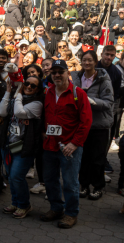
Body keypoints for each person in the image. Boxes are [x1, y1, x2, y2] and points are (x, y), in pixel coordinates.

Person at [40, 59, 93, 229]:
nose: (56, 75)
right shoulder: (48, 92)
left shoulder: (78, 94)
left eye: (60, 72)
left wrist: (75, 144)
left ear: (67, 73)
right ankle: (56, 208)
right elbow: (44, 116)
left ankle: (71, 213)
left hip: (70, 147)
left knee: (70, 183)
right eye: (53, 72)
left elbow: (86, 122)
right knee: (49, 180)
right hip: (50, 145)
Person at [0, 74, 44, 218]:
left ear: (37, 90)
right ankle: (15, 202)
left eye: (33, 85)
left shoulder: (37, 104)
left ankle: (24, 205)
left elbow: (19, 112)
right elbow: (1, 112)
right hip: (9, 143)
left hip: (25, 147)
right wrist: (8, 91)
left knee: (17, 176)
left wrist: (17, 94)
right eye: (26, 83)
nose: (29, 87)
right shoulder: (16, 99)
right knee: (11, 177)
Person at [71, 50, 114, 201]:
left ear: (96, 62)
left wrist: (88, 100)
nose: (87, 63)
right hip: (81, 125)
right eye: (84, 60)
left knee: (97, 158)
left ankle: (97, 186)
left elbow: (109, 103)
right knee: (82, 157)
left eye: (90, 60)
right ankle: (83, 185)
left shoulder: (103, 78)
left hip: (99, 125)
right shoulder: (75, 77)